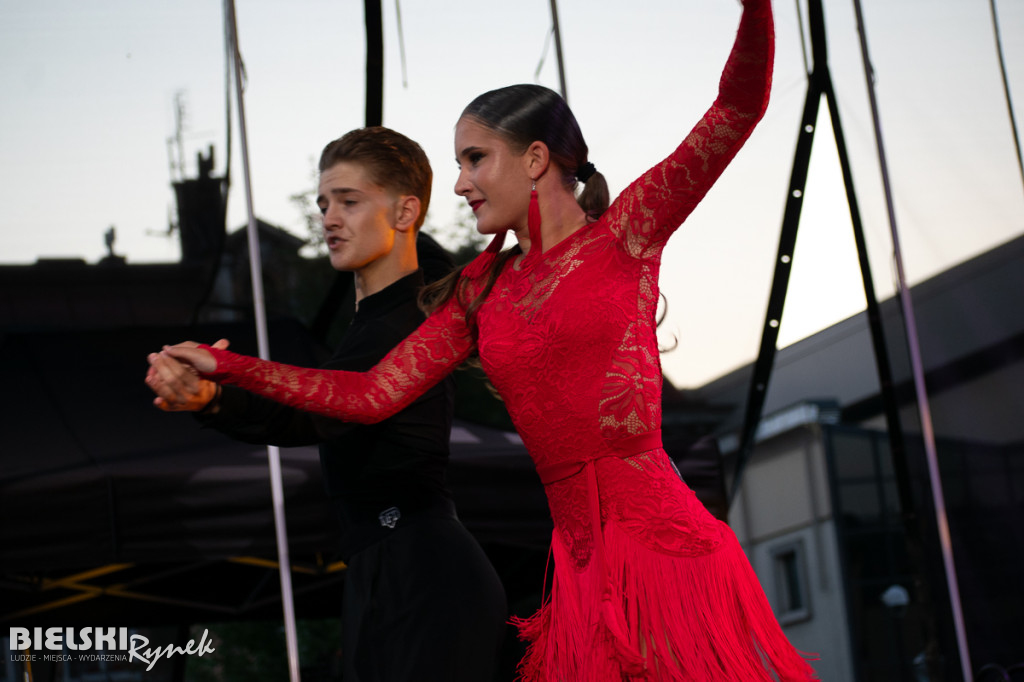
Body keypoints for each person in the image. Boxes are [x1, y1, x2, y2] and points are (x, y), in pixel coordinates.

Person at [160, 1, 819, 679]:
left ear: (535, 159)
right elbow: (365, 396)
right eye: (458, 162)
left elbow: (737, 108)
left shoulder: (626, 232)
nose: (460, 182)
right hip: (577, 571)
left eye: (475, 159)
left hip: (661, 549)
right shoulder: (478, 291)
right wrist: (225, 365)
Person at [146, 127, 507, 682]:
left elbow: (325, 410)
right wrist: (210, 400)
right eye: (323, 204)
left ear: (405, 211)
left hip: (423, 574)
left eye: (349, 201)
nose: (329, 218)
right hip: (384, 568)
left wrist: (215, 395)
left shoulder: (413, 324)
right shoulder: (372, 325)